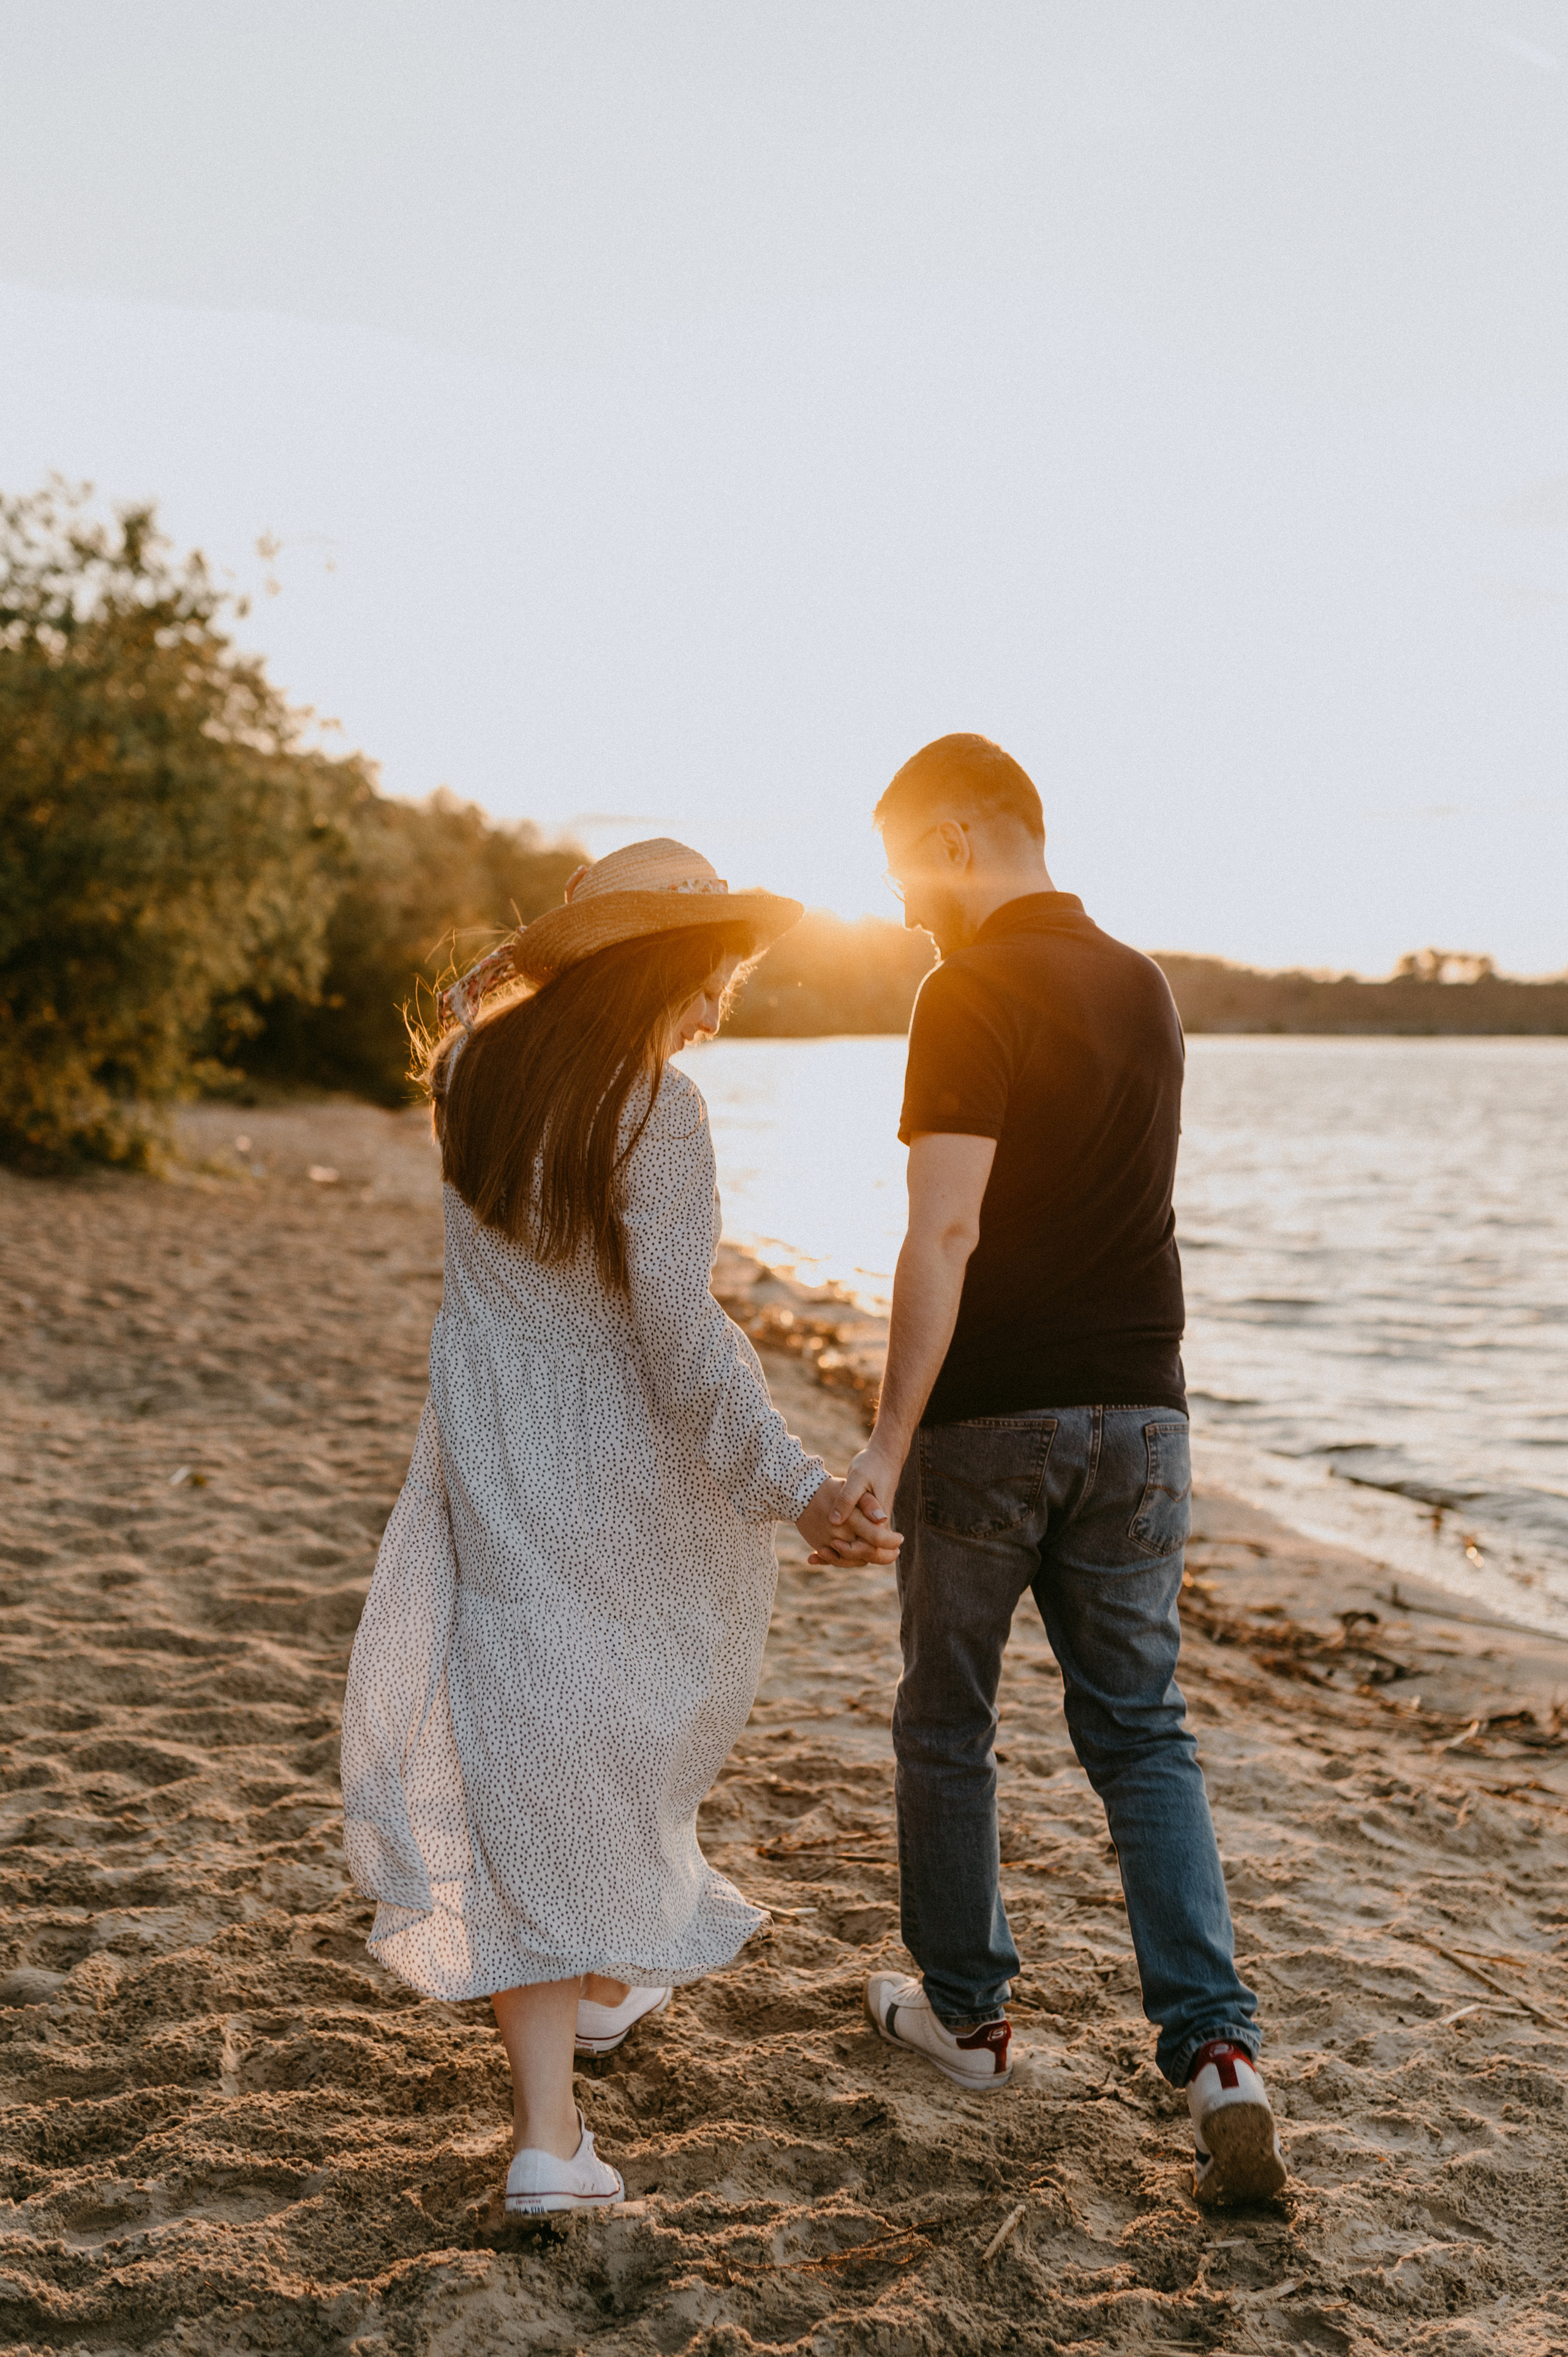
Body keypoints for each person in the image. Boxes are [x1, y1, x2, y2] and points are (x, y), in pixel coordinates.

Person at [341, 838, 900, 2220]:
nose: (716, 1012)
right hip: (611, 1465)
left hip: (489, 1448)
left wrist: (532, 965)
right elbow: (676, 1334)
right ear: (653, 970)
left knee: (521, 1745)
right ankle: (595, 1991)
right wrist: (792, 1483)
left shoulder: (470, 1075)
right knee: (629, 1716)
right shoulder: (659, 1109)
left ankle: (550, 2133)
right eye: (710, 980)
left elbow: (477, 1006)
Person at [836, 735, 1287, 2208]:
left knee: (945, 1721)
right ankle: (1218, 2055)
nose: (902, 906)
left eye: (906, 866)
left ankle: (966, 2018)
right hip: (1143, 1415)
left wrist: (886, 1442)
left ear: (964, 838)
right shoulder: (1141, 983)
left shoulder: (962, 991)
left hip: (996, 1421)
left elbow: (945, 1233)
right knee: (1141, 1730)